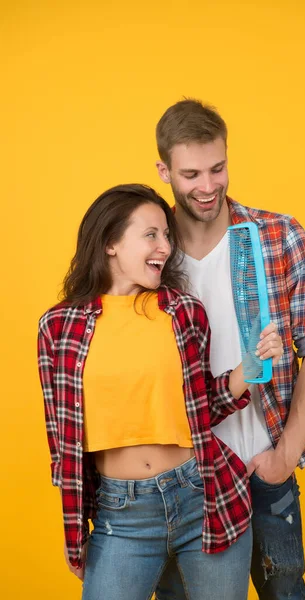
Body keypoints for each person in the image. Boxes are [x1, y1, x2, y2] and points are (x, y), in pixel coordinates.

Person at [37, 184, 284, 600]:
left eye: (167, 235)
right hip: (122, 517)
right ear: (110, 242)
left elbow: (201, 405)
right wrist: (74, 524)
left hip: (203, 498)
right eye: (151, 234)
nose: (165, 247)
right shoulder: (60, 328)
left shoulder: (183, 311)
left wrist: (250, 367)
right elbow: (61, 441)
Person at [154, 100, 305, 600]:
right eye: (191, 173)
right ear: (163, 170)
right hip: (182, 476)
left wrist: (286, 454)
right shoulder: (149, 252)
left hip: (262, 465)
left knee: (284, 593)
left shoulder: (279, 234)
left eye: (218, 168)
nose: (208, 186)